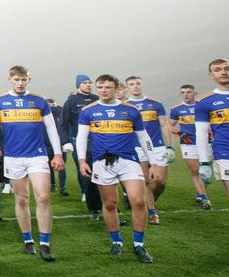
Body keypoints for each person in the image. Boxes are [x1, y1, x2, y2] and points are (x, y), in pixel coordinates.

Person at [76, 74, 159, 263]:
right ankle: (117, 241)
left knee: (138, 201)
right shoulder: (89, 111)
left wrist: (153, 162)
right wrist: (82, 161)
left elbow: (143, 137)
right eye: (100, 87)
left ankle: (139, 245)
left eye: (107, 87)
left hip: (129, 160)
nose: (103, 90)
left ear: (115, 89)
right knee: (111, 203)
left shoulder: (130, 111)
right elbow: (81, 138)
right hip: (101, 161)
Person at [0, 65, 64, 262]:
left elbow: (51, 128)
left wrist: (57, 154)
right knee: (21, 199)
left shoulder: (39, 101)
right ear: (10, 80)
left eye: (24, 79)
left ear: (29, 80)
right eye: (17, 79)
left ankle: (45, 243)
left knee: (43, 196)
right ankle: (28, 239)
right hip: (13, 157)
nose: (20, 83)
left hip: (37, 156)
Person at [125, 76, 174, 225]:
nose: (135, 86)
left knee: (161, 181)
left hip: (157, 146)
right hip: (137, 147)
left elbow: (164, 125)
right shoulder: (125, 105)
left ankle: (152, 198)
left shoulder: (155, 103)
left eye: (137, 83)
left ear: (142, 85)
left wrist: (170, 146)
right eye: (132, 84)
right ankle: (152, 212)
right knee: (146, 180)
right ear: (127, 88)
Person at [60, 74, 101, 217]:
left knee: (101, 170)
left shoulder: (97, 100)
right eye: (85, 83)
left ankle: (101, 199)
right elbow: (63, 123)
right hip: (78, 141)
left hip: (98, 140)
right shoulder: (71, 101)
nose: (88, 85)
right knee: (84, 169)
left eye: (90, 82)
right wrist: (65, 141)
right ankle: (86, 193)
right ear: (78, 85)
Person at [169, 84, 211, 209]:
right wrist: (180, 133)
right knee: (195, 170)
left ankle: (200, 194)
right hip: (188, 143)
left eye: (189, 92)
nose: (186, 94)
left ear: (195, 93)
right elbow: (169, 125)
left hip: (206, 142)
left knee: (206, 173)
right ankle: (204, 198)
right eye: (183, 92)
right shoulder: (176, 109)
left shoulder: (203, 106)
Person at [196, 58, 229, 195]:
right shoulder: (204, 102)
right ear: (211, 75)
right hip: (225, 153)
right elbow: (201, 133)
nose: (223, 72)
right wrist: (204, 162)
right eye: (217, 70)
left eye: (226, 68)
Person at [46, 98, 69, 196]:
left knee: (49, 166)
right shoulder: (59, 111)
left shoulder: (44, 113)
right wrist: (56, 106)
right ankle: (62, 187)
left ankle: (52, 185)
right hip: (57, 143)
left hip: (47, 143)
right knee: (61, 166)